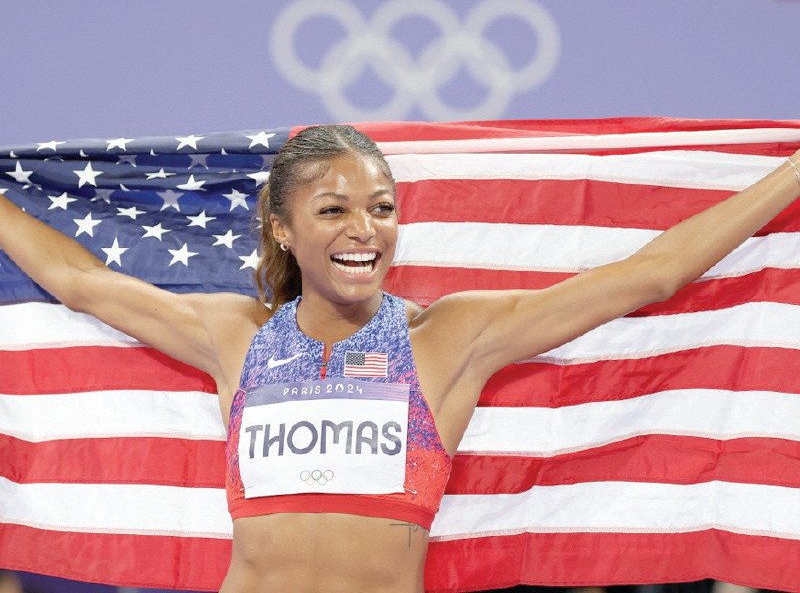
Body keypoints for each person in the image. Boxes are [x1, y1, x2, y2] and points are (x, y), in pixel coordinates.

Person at [1, 124, 799, 593]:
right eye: (335, 209)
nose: (365, 228)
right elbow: (79, 281)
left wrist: (791, 175)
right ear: (283, 229)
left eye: (381, 208)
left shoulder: (449, 339)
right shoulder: (234, 335)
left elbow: (647, 276)